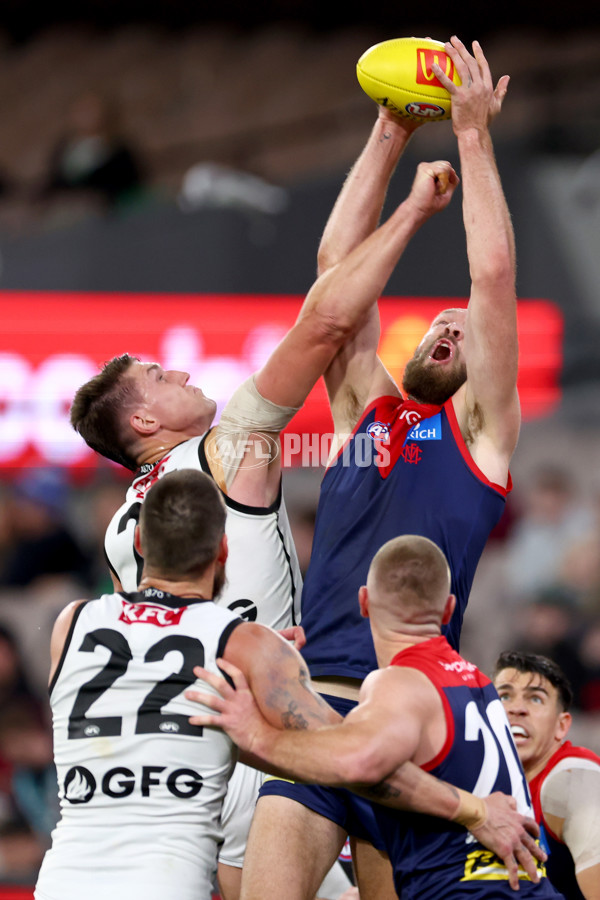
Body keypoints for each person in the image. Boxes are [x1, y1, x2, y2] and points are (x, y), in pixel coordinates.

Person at [69, 136, 461, 897]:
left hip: (187, 755)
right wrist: (414, 207)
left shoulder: (122, 523)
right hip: (274, 733)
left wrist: (386, 137)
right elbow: (322, 325)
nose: (178, 369)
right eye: (159, 374)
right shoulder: (226, 452)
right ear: (145, 422)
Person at [250, 35, 521, 900]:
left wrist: (474, 139)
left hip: (412, 714)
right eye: (436, 326)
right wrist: (390, 133)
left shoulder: (483, 436)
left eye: (463, 332)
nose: (450, 330)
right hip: (318, 696)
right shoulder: (368, 409)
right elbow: (336, 276)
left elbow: (492, 277)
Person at [36, 472, 542, 900]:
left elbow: (146, 702)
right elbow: (356, 765)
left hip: (61, 878)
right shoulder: (244, 646)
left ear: (141, 545)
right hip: (166, 881)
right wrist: (473, 808)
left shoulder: (71, 622)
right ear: (223, 549)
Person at [187, 535, 559, 898]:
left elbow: (360, 763)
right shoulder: (481, 686)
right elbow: (352, 750)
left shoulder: (398, 682)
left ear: (363, 602)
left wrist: (258, 737)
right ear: (448, 609)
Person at [493, 650, 600, 899]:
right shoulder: (481, 785)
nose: (517, 708)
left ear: (561, 726)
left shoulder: (573, 779)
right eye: (504, 696)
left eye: (536, 699)